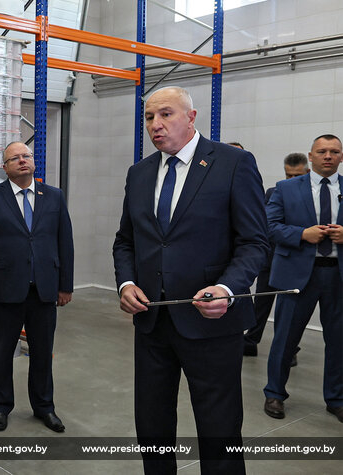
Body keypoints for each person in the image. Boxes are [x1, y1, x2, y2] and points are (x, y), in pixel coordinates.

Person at [112, 86, 268, 474]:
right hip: (152, 322)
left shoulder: (233, 163)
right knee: (152, 426)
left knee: (219, 431)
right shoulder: (139, 173)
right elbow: (126, 241)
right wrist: (126, 284)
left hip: (212, 322)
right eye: (149, 117)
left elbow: (254, 242)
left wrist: (227, 288)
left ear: (191, 117)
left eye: (166, 114)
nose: (155, 124)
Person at [0, 141, 74, 434]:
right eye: (14, 158)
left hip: (44, 289)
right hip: (5, 290)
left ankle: (44, 407)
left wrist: (65, 285)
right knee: (1, 353)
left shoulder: (54, 196)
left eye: (26, 156)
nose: (22, 160)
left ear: (33, 161)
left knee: (43, 353)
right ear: (5, 167)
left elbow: (64, 242)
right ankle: (0, 406)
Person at [263, 134, 343, 423]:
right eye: (322, 151)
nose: (328, 156)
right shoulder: (285, 188)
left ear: (341, 157)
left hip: (337, 275)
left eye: (334, 151)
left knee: (338, 341)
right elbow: (268, 226)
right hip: (296, 274)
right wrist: (301, 234)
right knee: (285, 338)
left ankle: (336, 399)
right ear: (311, 156)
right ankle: (274, 393)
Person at [244, 153, 309, 360]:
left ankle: (290, 349)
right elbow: (266, 225)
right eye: (288, 175)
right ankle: (251, 340)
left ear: (307, 172)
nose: (292, 179)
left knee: (289, 310)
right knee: (261, 303)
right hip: (272, 256)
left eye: (297, 175)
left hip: (297, 259)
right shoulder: (274, 192)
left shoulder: (313, 196)